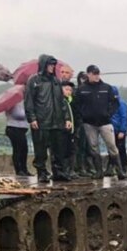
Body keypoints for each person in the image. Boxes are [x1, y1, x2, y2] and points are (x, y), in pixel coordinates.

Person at [25, 55, 72, 183]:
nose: (52, 67)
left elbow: (62, 101)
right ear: (43, 65)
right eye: (50, 65)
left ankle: (58, 172)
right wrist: (32, 118)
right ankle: (42, 172)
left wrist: (67, 118)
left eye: (53, 65)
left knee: (58, 149)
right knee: (40, 150)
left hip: (57, 121)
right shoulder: (34, 80)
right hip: (41, 121)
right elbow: (29, 101)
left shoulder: (56, 81)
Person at [76, 65, 126, 179]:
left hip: (105, 122)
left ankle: (120, 171)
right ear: (88, 74)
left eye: (98, 73)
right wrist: (83, 115)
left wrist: (108, 113)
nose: (96, 76)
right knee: (93, 147)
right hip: (89, 123)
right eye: (94, 74)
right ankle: (99, 171)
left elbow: (115, 103)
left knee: (112, 146)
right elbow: (77, 105)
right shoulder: (82, 89)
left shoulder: (107, 88)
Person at [0, 97, 31, 176]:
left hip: (22, 129)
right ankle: (18, 170)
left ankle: (24, 169)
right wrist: (27, 112)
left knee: (24, 149)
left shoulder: (22, 103)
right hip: (13, 128)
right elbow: (19, 114)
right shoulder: (11, 104)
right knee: (17, 149)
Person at [111, 86, 127, 175]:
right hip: (112, 130)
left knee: (121, 149)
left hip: (119, 131)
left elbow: (124, 117)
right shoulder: (110, 103)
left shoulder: (121, 104)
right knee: (112, 150)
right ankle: (114, 168)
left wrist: (122, 130)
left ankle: (123, 168)